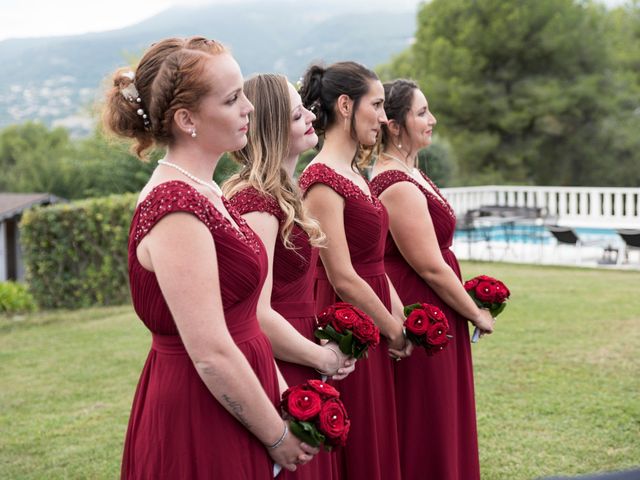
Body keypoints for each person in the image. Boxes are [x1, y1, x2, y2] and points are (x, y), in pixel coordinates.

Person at [103, 37, 317, 479]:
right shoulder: (174, 206)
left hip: (246, 394)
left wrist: (287, 402)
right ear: (187, 119)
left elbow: (246, 321)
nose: (249, 109)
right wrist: (278, 436)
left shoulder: (209, 190)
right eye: (232, 98)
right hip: (201, 413)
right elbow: (210, 353)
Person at [224, 73, 357, 479]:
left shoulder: (284, 192)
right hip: (281, 356)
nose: (308, 116)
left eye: (303, 107)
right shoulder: (257, 203)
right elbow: (257, 312)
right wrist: (322, 357)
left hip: (300, 341)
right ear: (268, 124)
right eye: (294, 112)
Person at [369, 78, 495, 480]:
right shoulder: (395, 182)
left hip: (437, 300)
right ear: (393, 123)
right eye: (421, 113)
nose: (432, 120)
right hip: (420, 306)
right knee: (427, 415)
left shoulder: (411, 171)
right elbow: (428, 265)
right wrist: (475, 312)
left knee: (445, 411)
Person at [297, 61, 412, 480]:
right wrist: (392, 328)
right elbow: (342, 275)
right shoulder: (321, 179)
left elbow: (377, 262)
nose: (384, 118)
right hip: (350, 324)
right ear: (346, 105)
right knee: (362, 443)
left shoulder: (356, 172)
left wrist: (402, 317)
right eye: (377, 105)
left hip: (375, 314)